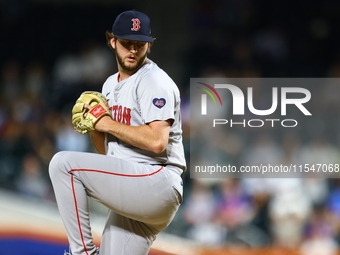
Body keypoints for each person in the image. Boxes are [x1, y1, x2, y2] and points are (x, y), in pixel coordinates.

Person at [49, 10, 186, 255]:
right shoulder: (110, 85)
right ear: (112, 41)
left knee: (63, 164)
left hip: (157, 181)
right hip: (135, 190)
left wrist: (105, 124)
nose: (133, 50)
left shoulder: (154, 80)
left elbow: (157, 142)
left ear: (149, 45)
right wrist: (93, 128)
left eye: (140, 44)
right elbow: (111, 153)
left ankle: (82, 253)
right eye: (126, 43)